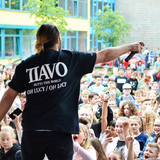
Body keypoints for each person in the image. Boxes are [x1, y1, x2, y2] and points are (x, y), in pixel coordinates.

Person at [0, 23, 144, 159]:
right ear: (58, 39)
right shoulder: (71, 59)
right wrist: (129, 46)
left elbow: (8, 96)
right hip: (59, 130)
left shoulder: (25, 65)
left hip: (32, 130)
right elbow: (105, 55)